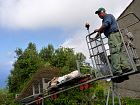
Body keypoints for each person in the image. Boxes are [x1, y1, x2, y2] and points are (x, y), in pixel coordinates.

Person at [94, 7, 130, 76]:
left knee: (114, 52)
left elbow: (106, 24)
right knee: (119, 51)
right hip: (116, 35)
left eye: (99, 13)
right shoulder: (106, 19)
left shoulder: (108, 16)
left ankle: (117, 70)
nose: (99, 15)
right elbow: (101, 30)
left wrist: (98, 29)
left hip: (113, 35)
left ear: (103, 12)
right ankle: (125, 67)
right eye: (98, 14)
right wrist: (95, 37)